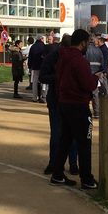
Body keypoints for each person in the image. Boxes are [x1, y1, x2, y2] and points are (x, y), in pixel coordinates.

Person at [51, 29, 103, 189]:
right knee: (84, 143)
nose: (89, 45)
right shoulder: (79, 60)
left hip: (64, 103)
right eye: (88, 43)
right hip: (78, 105)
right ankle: (86, 178)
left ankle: (57, 173)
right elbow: (87, 84)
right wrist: (96, 78)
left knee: (65, 140)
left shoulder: (62, 57)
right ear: (83, 43)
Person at [40, 34, 78, 176]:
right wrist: (58, 77)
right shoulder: (53, 56)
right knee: (58, 133)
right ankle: (54, 163)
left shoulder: (75, 57)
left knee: (69, 133)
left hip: (69, 100)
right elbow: (43, 76)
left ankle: (72, 163)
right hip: (57, 100)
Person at [28, 34, 46, 103]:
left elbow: (30, 57)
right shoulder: (44, 46)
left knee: (35, 82)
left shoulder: (33, 47)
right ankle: (43, 95)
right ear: (41, 39)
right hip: (42, 66)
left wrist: (30, 66)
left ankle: (34, 97)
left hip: (35, 66)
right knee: (43, 82)